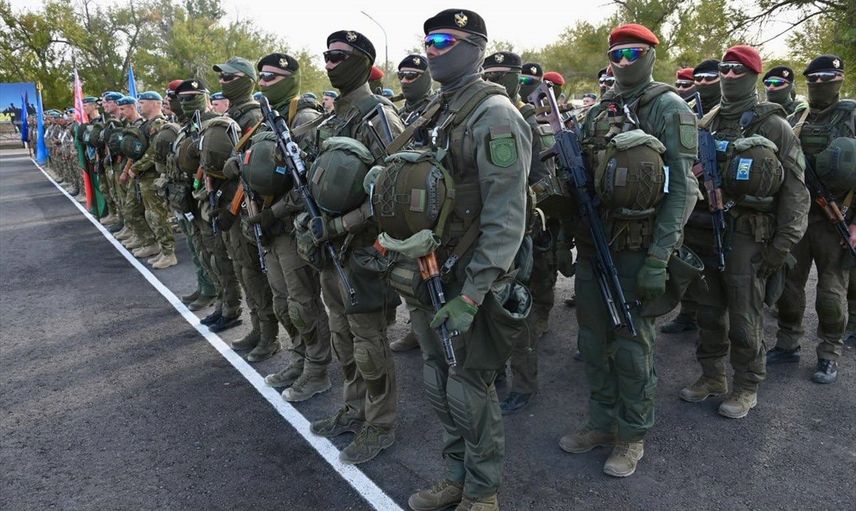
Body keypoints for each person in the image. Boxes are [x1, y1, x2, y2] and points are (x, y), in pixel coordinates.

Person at [393, 10, 531, 510]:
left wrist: (473, 295)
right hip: (428, 270)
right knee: (437, 378)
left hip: (469, 276)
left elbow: (507, 218)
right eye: (427, 40)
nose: (431, 50)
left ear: (474, 47)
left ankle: (482, 493)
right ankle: (455, 475)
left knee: (470, 386)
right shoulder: (437, 109)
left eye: (443, 40)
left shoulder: (495, 115)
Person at [559, 23, 698, 478]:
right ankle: (601, 422)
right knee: (592, 341)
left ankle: (632, 433)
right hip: (595, 244)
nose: (623, 62)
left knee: (632, 345)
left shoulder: (669, 108)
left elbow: (682, 189)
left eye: (633, 53)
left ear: (651, 55)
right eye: (616, 55)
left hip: (639, 248)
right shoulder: (599, 111)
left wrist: (660, 257)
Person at [678, 45, 809, 415]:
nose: (729, 76)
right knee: (708, 312)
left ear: (753, 75)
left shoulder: (774, 125)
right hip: (704, 231)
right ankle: (712, 376)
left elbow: (796, 190)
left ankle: (747, 385)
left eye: (737, 70)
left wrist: (783, 244)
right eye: (724, 69)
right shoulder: (707, 120)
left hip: (748, 235)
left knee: (744, 316)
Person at [300, 29, 404, 465]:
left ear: (363, 61)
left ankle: (380, 423)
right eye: (327, 55)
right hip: (331, 250)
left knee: (368, 342)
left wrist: (341, 224)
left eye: (340, 56)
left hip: (363, 250)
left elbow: (395, 190)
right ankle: (354, 407)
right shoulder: (333, 117)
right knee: (342, 336)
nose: (330, 62)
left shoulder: (378, 116)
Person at [239, 52, 333, 402]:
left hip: (293, 229)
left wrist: (274, 211)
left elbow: (311, 182)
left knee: (303, 303)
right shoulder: (265, 120)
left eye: (271, 77)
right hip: (270, 228)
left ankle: (317, 369)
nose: (263, 83)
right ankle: (299, 356)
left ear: (290, 79)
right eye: (261, 77)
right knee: (282, 302)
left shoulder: (304, 120)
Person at [481, 50, 560, 415]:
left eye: (502, 73)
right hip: (481, 227)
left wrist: (520, 198)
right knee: (485, 302)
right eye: (488, 72)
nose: (494, 79)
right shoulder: (481, 113)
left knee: (515, 307)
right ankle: (493, 369)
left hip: (515, 228)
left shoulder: (528, 119)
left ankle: (525, 384)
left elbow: (547, 181)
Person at [768, 54, 855, 384]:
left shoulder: (851, 116)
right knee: (788, 287)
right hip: (796, 218)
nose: (819, 84)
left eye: (826, 78)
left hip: (836, 219)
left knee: (831, 294)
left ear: (839, 79)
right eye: (813, 79)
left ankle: (829, 353)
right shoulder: (796, 117)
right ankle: (787, 343)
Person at [124, 90, 178, 268]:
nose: (140, 105)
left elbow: (154, 152)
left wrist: (136, 167)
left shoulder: (158, 123)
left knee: (158, 215)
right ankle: (157, 247)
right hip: (145, 176)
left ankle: (169, 253)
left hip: (154, 175)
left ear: (156, 103)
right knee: (150, 214)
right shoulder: (146, 124)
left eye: (143, 102)